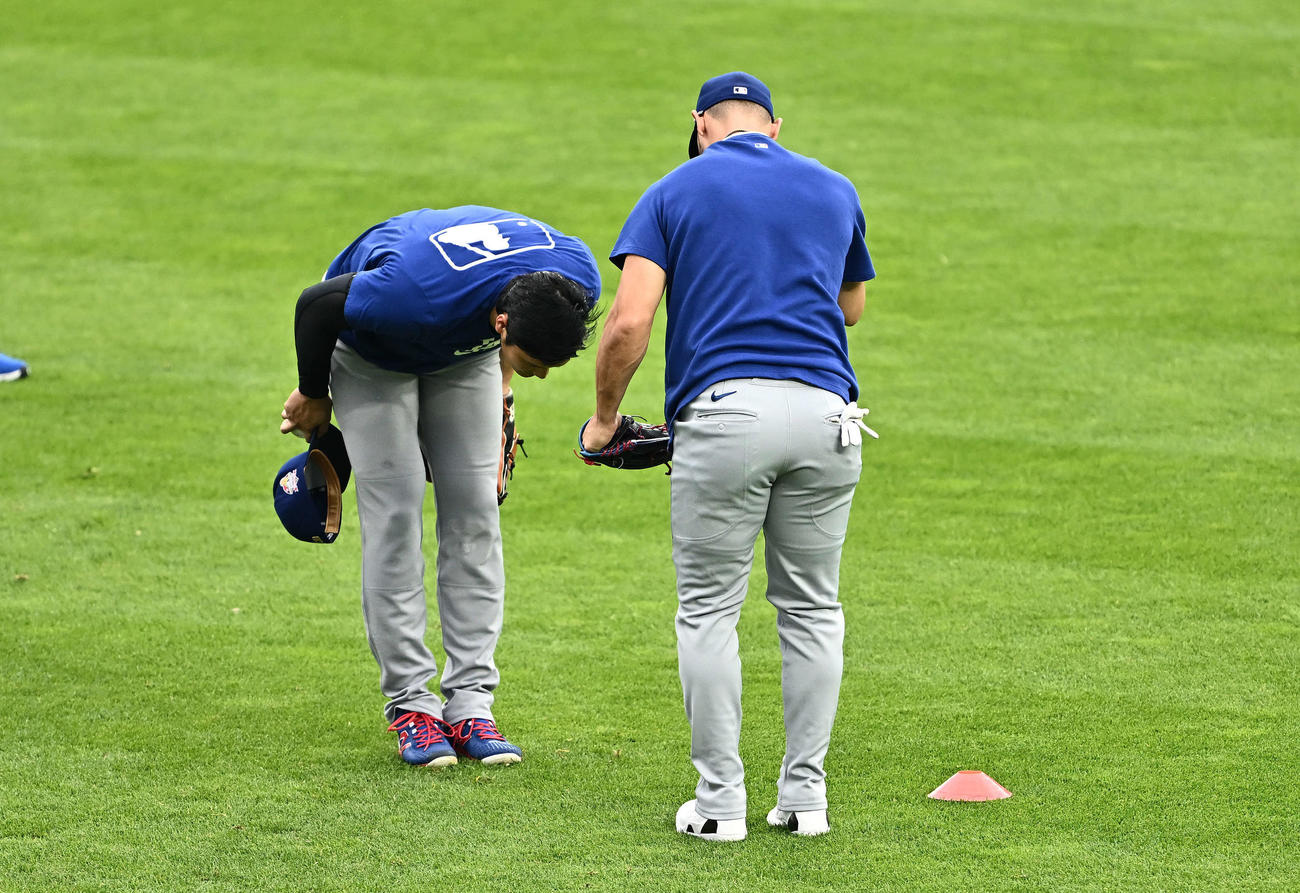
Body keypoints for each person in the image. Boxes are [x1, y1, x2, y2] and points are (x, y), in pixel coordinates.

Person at [582, 72, 877, 839]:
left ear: (701, 125)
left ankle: (720, 805)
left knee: (710, 610)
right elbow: (851, 306)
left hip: (725, 416)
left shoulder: (675, 190)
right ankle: (804, 799)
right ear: (774, 126)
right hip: (828, 417)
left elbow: (627, 324)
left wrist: (605, 419)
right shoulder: (833, 187)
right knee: (812, 609)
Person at [282, 206, 601, 768]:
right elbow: (317, 304)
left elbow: (521, 339)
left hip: (464, 353)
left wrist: (505, 391)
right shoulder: (407, 295)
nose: (544, 374)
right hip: (373, 350)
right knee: (396, 513)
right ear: (503, 324)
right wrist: (314, 393)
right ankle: (412, 706)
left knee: (476, 511)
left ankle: (472, 705)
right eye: (534, 364)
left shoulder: (575, 276)